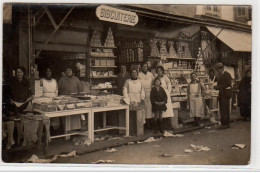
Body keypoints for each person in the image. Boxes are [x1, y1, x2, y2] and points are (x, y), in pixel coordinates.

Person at [58, 66, 83, 130]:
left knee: (74, 116)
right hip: (64, 101)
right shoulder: (62, 79)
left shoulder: (76, 79)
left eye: (70, 70)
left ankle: (76, 129)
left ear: (72, 72)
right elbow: (58, 90)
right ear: (65, 71)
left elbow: (80, 90)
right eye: (67, 70)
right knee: (65, 117)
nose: (68, 72)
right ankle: (65, 130)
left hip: (74, 100)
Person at [214, 62, 232, 130]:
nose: (218, 71)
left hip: (225, 94)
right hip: (221, 94)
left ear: (222, 68)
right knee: (222, 109)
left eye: (218, 70)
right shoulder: (220, 75)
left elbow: (228, 85)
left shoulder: (227, 75)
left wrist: (218, 87)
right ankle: (224, 123)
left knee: (224, 109)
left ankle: (225, 124)